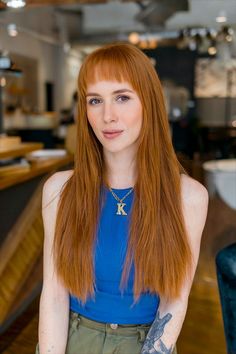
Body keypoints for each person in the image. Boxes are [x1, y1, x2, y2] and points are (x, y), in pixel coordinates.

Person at [36, 42, 209, 354]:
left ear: (149, 103)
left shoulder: (189, 197)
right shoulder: (59, 190)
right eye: (95, 100)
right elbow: (54, 293)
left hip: (147, 344)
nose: (107, 116)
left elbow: (175, 299)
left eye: (122, 97)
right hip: (72, 340)